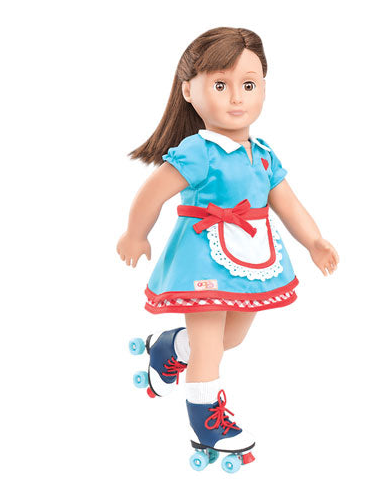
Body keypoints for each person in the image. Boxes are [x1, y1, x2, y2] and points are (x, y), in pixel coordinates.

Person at [117, 27, 339, 473]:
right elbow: (153, 192)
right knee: (208, 348)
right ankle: (207, 422)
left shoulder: (263, 154)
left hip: (252, 254)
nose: (237, 97)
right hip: (201, 256)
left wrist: (314, 241)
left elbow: (287, 203)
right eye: (220, 85)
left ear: (264, 89)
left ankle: (167, 348)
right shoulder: (198, 151)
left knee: (230, 338)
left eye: (248, 85)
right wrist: (135, 234)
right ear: (189, 92)